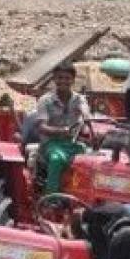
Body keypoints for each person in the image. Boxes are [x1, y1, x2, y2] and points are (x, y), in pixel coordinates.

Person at [35, 63, 92, 194]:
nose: (63, 81)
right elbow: (41, 126)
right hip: (51, 144)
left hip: (72, 143)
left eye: (67, 78)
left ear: (73, 80)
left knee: (91, 161)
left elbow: (85, 111)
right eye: (60, 78)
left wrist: (86, 117)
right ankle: (51, 198)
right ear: (54, 79)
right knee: (57, 159)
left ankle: (82, 195)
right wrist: (60, 131)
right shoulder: (45, 100)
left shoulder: (79, 99)